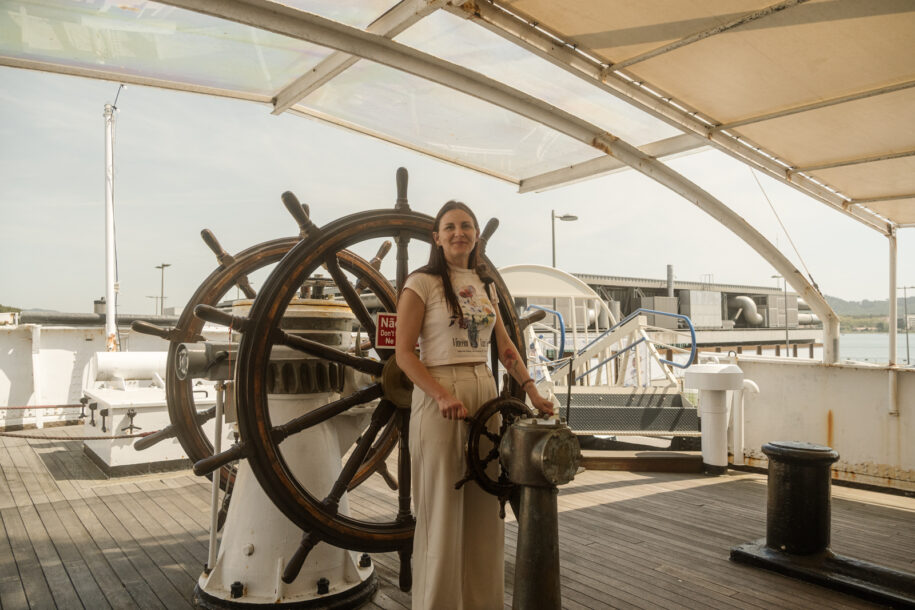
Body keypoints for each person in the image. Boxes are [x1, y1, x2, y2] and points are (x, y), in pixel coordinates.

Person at [395, 200, 554, 610]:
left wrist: (532, 391)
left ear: (476, 235)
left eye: (466, 226)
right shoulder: (421, 283)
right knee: (442, 512)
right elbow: (404, 355)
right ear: (437, 237)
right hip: (440, 394)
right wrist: (441, 395)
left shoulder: (486, 286)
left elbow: (505, 348)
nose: (458, 233)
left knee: (485, 509)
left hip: (485, 394)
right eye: (449, 227)